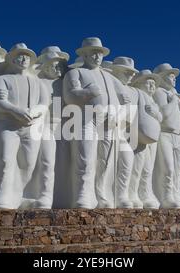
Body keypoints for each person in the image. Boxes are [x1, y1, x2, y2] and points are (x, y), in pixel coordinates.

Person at [62, 37, 133, 208]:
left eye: (99, 54)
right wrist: (88, 93)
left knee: (105, 161)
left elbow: (127, 99)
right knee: (85, 158)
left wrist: (120, 115)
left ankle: (101, 194)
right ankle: (83, 194)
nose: (97, 57)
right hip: (86, 120)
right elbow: (70, 96)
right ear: (84, 55)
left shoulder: (110, 77)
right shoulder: (75, 73)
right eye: (93, 53)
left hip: (109, 122)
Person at [0, 43, 49, 209]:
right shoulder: (1, 80)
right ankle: (2, 195)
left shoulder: (38, 82)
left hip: (31, 126)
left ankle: (18, 195)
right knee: (5, 160)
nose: (23, 59)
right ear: (12, 59)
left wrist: (33, 112)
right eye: (19, 56)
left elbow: (44, 103)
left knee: (28, 163)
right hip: (9, 125)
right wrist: (16, 111)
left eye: (26, 57)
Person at [152, 63, 180, 209]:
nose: (174, 79)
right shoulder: (158, 93)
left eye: (174, 76)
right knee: (168, 167)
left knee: (178, 170)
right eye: (170, 76)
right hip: (164, 134)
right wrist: (172, 102)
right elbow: (162, 115)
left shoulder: (176, 97)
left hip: (179, 137)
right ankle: (166, 197)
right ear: (163, 78)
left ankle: (177, 196)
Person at [28, 49, 69, 208]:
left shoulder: (66, 82)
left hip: (67, 127)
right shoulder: (37, 81)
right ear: (45, 67)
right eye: (54, 65)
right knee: (46, 162)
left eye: (60, 65)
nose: (58, 68)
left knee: (65, 164)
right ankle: (45, 195)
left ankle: (62, 196)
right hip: (44, 126)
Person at [129, 69, 163, 209]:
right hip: (138, 137)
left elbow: (160, 117)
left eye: (154, 84)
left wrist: (155, 113)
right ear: (140, 83)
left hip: (152, 140)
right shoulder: (136, 93)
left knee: (148, 168)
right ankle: (132, 193)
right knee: (136, 167)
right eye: (149, 83)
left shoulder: (152, 100)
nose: (152, 87)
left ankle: (145, 193)